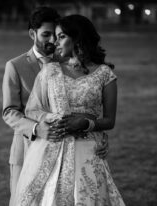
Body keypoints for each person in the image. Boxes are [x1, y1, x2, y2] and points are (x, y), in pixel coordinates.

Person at [14, 14, 125, 206]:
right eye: (55, 37)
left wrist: (86, 124)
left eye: (61, 37)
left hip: (89, 151)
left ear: (77, 38)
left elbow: (109, 120)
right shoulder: (50, 71)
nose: (55, 42)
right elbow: (32, 110)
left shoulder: (105, 74)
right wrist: (55, 119)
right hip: (53, 146)